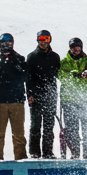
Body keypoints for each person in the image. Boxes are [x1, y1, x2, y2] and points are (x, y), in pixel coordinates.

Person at [0, 33, 28, 161]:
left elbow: (25, 76)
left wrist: (14, 65)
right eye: (4, 42)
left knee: (19, 134)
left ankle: (21, 158)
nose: (6, 44)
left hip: (17, 100)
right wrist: (1, 67)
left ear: (12, 43)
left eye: (9, 42)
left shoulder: (19, 58)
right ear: (0, 43)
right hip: (0, 101)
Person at [57, 37, 87, 159]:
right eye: (73, 47)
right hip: (69, 100)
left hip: (85, 101)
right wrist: (76, 74)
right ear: (70, 48)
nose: (76, 50)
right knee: (72, 129)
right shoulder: (63, 62)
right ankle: (75, 153)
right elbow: (61, 77)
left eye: (78, 47)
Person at [26, 29, 61, 158]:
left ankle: (47, 151)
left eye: (46, 39)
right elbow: (28, 77)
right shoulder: (32, 56)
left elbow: (59, 75)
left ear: (50, 40)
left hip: (50, 95)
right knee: (35, 125)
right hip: (36, 95)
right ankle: (34, 152)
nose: (44, 42)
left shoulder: (54, 57)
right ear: (37, 40)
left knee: (48, 125)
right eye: (41, 39)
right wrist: (29, 94)